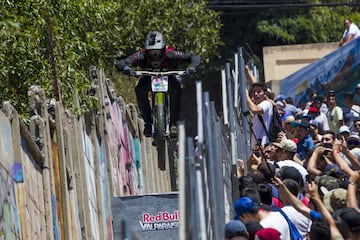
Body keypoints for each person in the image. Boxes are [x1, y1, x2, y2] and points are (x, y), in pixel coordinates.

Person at [115, 31, 200, 136]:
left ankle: (173, 123)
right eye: (151, 52)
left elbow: (193, 57)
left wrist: (191, 67)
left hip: (169, 76)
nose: (154, 55)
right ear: (146, 51)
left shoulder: (172, 54)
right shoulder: (141, 55)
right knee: (140, 89)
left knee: (176, 89)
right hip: (148, 76)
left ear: (163, 49)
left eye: (157, 52)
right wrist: (126, 68)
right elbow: (121, 62)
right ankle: (148, 122)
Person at [246, 82, 273, 147]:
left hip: (263, 145)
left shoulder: (266, 103)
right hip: (257, 145)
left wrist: (245, 95)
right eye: (254, 92)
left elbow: (255, 109)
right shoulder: (259, 105)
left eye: (259, 92)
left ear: (264, 94)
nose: (255, 94)